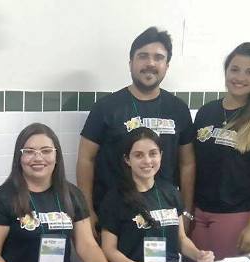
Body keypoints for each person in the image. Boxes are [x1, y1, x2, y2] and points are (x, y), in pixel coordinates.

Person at [0, 123, 127, 262]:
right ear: (19, 157)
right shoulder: (3, 198)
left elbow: (87, 245)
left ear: (56, 156)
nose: (38, 157)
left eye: (46, 151)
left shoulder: (72, 195)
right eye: (29, 151)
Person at [77, 27, 195, 238]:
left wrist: (185, 211)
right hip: (114, 219)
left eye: (158, 57)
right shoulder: (106, 108)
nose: (150, 63)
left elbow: (187, 164)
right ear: (131, 63)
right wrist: (88, 211)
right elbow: (86, 159)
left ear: (167, 66)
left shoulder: (178, 109)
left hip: (165, 217)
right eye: (143, 56)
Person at [189, 42, 250, 259]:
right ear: (226, 71)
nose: (240, 77)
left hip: (234, 216)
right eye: (235, 69)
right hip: (197, 213)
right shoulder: (206, 112)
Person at [100, 128, 214, 262]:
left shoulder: (171, 193)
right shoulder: (114, 199)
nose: (147, 161)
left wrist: (198, 255)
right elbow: (109, 250)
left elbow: (181, 239)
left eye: (153, 153)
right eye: (138, 155)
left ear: (161, 155)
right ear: (127, 159)